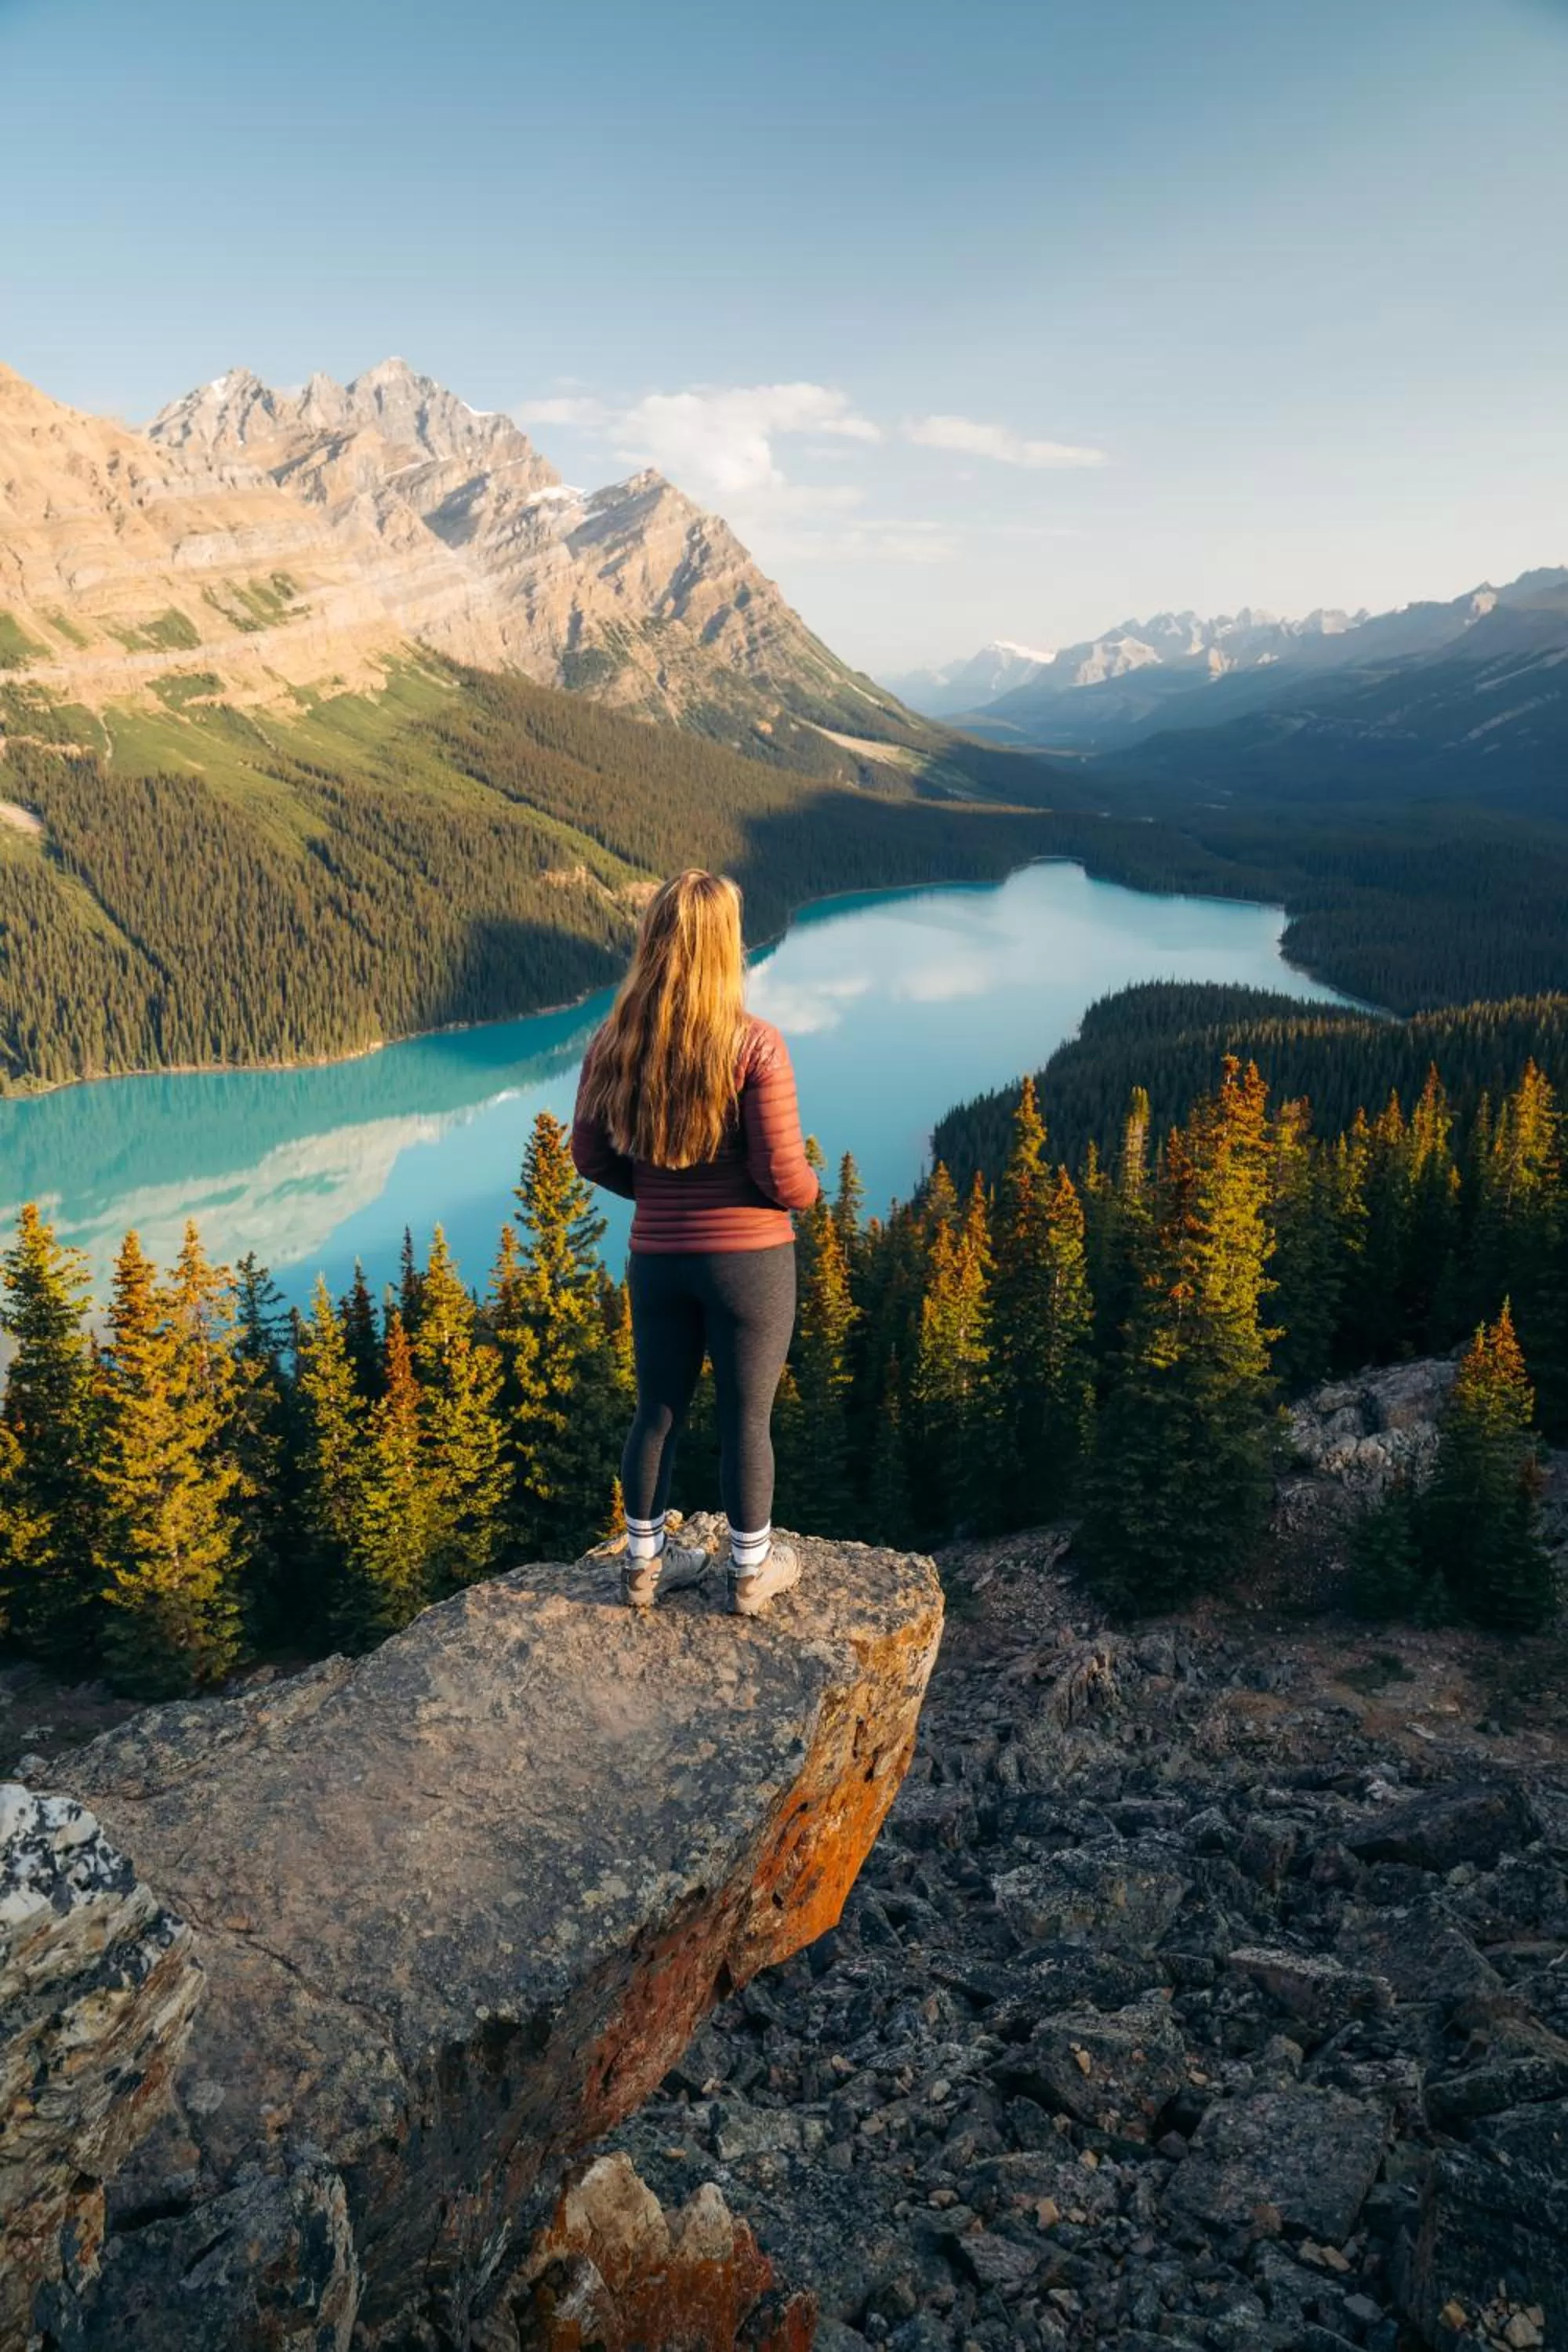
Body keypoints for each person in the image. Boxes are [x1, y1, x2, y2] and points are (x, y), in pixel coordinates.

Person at [572, 869, 819, 1613]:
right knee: (748, 1416)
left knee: (657, 1411)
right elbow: (780, 1173)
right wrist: (810, 1192)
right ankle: (750, 1574)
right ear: (725, 948)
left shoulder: (614, 1042)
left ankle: (644, 1568)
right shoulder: (755, 1045)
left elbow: (589, 1157)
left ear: (654, 939)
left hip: (658, 1261)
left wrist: (656, 1196)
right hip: (751, 1264)